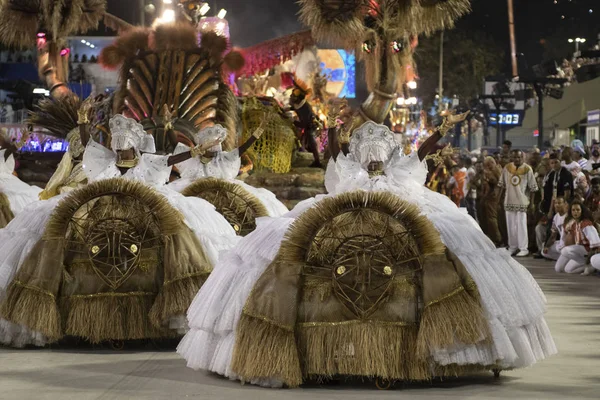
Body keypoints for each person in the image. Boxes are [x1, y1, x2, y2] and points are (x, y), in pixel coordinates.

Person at [178, 113, 555, 387]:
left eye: (379, 153)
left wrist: (441, 129)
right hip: (344, 220)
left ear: (388, 155)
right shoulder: (350, 173)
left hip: (406, 216)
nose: (373, 160)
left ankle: (443, 342)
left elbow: (421, 154)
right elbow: (333, 157)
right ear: (361, 155)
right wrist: (330, 131)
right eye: (368, 153)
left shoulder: (401, 174)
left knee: (452, 245)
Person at [0, 113, 239, 347]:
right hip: (99, 205)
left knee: (179, 235)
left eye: (124, 148)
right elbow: (88, 144)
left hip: (147, 205)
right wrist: (83, 122)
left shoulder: (148, 163)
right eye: (118, 148)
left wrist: (195, 152)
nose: (120, 152)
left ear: (134, 148)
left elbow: (170, 161)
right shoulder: (105, 162)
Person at [168, 120, 288, 218]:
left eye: (213, 147)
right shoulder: (194, 159)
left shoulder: (223, 159)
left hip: (222, 196)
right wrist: (168, 125)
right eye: (208, 146)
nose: (211, 149)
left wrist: (256, 134)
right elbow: (176, 145)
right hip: (195, 193)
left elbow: (241, 150)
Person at [499, 150, 538, 257]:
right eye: (514, 157)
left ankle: (523, 248)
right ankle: (512, 247)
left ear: (523, 158)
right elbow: (502, 185)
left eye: (519, 157)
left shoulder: (527, 169)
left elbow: (533, 188)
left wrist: (532, 204)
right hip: (509, 200)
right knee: (510, 225)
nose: (516, 159)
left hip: (522, 202)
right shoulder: (507, 168)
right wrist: (500, 200)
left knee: (521, 225)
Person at [0, 129, 42, 228]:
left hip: (7, 179)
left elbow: (12, 148)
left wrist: (23, 141)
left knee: (28, 194)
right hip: (5, 181)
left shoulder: (3, 153)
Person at [554, 201, 600, 274]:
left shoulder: (586, 223)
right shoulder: (574, 223)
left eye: (578, 210)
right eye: (573, 210)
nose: (575, 212)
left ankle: (589, 264)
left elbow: (595, 244)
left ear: (582, 211)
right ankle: (589, 267)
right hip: (579, 250)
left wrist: (589, 258)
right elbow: (566, 240)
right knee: (567, 270)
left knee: (565, 250)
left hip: (588, 250)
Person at [537, 196, 567, 261]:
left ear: (565, 204)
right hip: (561, 244)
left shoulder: (569, 216)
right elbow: (553, 235)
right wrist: (547, 246)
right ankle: (563, 258)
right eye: (555, 203)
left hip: (569, 244)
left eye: (559, 203)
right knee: (544, 251)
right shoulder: (556, 217)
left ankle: (566, 258)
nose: (557, 205)